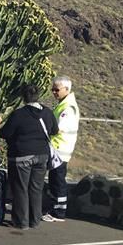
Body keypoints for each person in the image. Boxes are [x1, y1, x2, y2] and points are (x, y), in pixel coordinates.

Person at [0, 84, 58, 230]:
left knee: (21, 189)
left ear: (23, 97)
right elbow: (55, 130)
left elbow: (4, 133)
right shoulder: (48, 113)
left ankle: (21, 221)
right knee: (36, 188)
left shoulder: (18, 114)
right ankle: (35, 220)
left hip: (21, 155)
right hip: (42, 155)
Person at [43, 75, 80, 222]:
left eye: (56, 89)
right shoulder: (63, 104)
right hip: (57, 149)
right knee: (54, 179)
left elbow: (59, 128)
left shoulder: (68, 107)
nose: (54, 92)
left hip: (60, 149)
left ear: (66, 89)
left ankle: (59, 212)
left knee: (58, 180)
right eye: (52, 89)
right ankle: (54, 208)